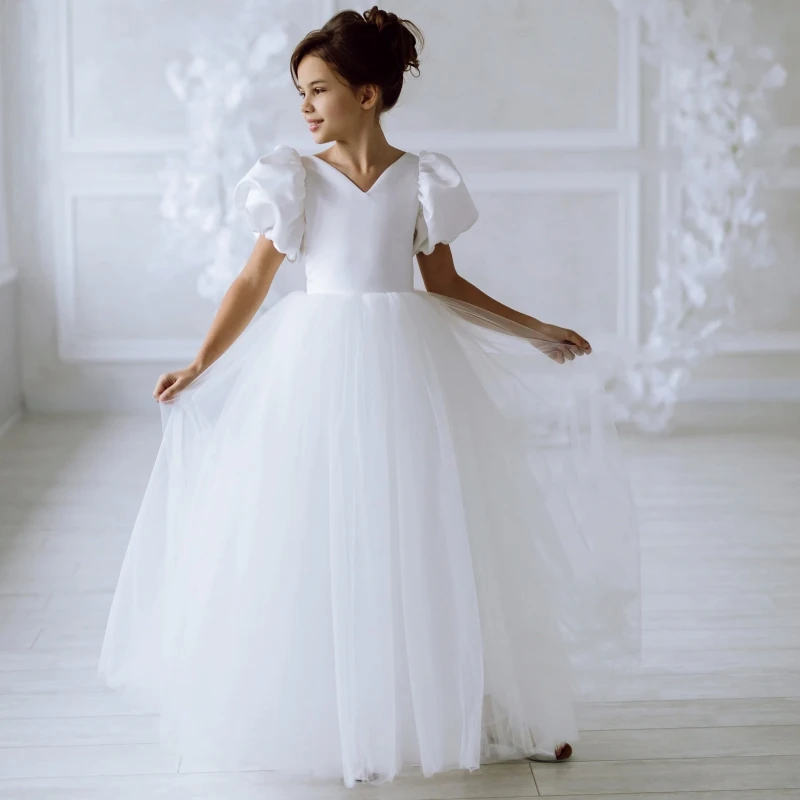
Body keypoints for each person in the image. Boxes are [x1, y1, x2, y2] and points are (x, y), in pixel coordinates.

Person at [97, 6, 642, 789]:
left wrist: (533, 330)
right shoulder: (294, 178)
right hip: (315, 367)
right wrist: (201, 364)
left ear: (369, 94)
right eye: (301, 92)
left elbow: (445, 283)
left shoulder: (423, 178)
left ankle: (477, 705)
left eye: (318, 89)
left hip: (406, 368)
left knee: (426, 531)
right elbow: (255, 280)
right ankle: (321, 707)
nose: (306, 106)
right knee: (313, 531)